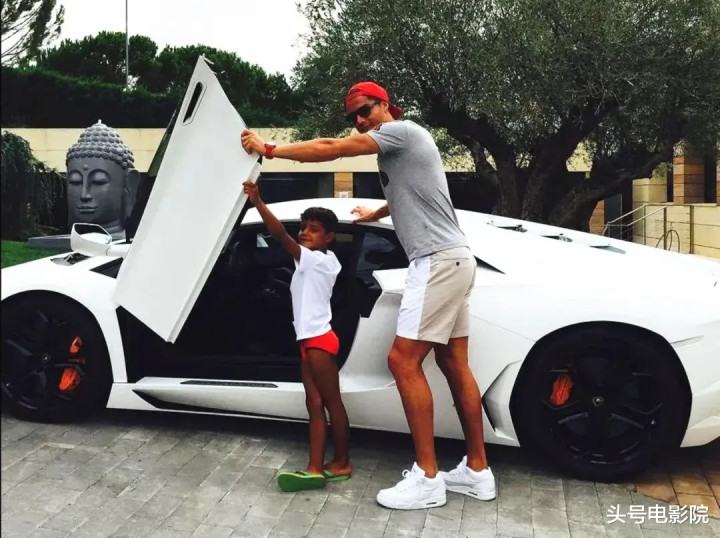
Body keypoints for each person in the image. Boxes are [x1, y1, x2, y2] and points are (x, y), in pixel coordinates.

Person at [240, 81, 494, 510]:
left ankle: (427, 478)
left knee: (402, 361)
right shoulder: (401, 149)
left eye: (365, 110)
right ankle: (477, 471)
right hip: (455, 259)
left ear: (385, 105)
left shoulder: (400, 132)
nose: (359, 121)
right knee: (453, 363)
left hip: (434, 262)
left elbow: (332, 148)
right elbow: (416, 195)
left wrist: (269, 149)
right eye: (353, 116)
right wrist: (375, 211)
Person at [242, 178, 352, 492]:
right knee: (315, 403)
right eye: (303, 227)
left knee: (330, 403)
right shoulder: (322, 260)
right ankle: (316, 468)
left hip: (318, 342)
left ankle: (341, 462)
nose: (304, 232)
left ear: (329, 237)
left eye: (313, 229)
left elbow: (279, 235)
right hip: (309, 341)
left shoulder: (316, 260)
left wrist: (258, 202)